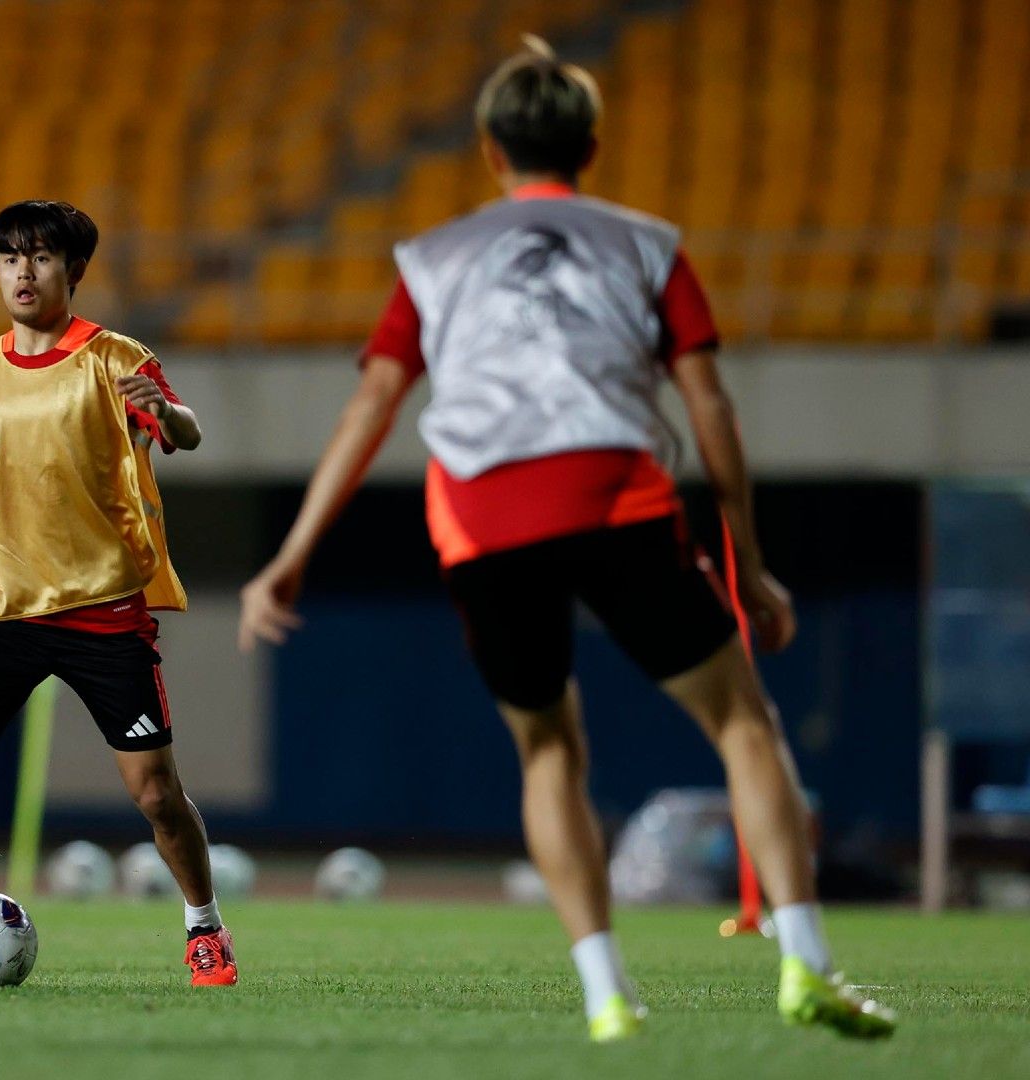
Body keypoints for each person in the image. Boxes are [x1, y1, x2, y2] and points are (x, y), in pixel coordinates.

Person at [237, 40, 894, 1042]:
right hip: (613, 494)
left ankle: (605, 996)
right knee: (743, 724)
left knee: (548, 751)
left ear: (489, 151)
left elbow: (371, 405)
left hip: (483, 516)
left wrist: (291, 553)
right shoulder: (648, 246)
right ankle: (806, 966)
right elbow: (710, 407)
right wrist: (748, 559)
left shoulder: (435, 258)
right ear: (589, 144)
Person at [0, 200, 235, 989]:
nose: (22, 272)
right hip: (3, 612)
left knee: (156, 794)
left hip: (104, 612)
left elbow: (186, 433)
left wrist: (174, 414)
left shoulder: (113, 358)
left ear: (74, 271)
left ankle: (206, 931)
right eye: (9, 258)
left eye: (41, 257)